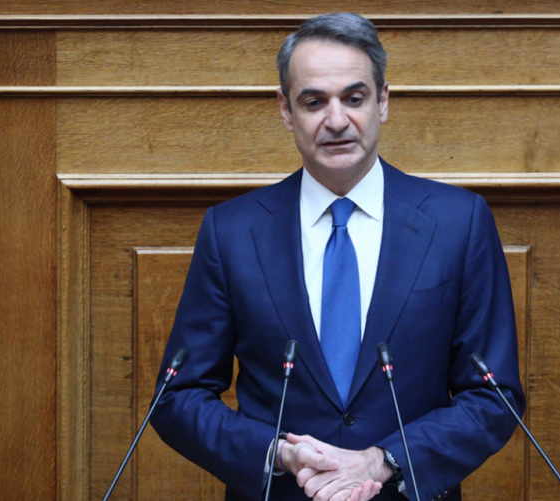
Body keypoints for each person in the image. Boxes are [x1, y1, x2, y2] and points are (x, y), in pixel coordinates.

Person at [151, 12, 524, 501]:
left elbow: (494, 396)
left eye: (354, 98)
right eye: (313, 102)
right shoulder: (232, 231)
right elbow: (178, 397)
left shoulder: (459, 222)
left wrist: (383, 460)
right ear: (286, 110)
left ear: (382, 101)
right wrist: (277, 453)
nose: (336, 120)